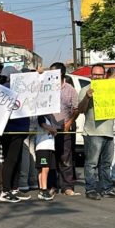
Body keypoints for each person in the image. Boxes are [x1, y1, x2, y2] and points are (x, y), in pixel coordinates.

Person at [79, 64, 115, 200]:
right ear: (90, 75)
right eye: (95, 74)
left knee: (106, 164)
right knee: (91, 163)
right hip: (93, 133)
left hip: (109, 132)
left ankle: (107, 189)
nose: (97, 77)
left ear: (104, 75)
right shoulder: (85, 89)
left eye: (100, 74)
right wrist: (87, 97)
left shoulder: (110, 90)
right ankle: (90, 189)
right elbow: (80, 110)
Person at [0, 66, 31, 203]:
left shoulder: (0, 88)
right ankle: (6, 191)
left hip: (8, 129)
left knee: (12, 159)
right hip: (15, 129)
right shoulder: (13, 88)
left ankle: (12, 189)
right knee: (12, 160)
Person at [49, 62, 80, 196]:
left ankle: (67, 186)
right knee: (50, 159)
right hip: (48, 130)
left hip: (65, 129)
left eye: (52, 72)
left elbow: (76, 109)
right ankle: (51, 185)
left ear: (61, 73)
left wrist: (69, 123)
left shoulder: (70, 89)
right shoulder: (46, 88)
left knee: (65, 158)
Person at [36, 114, 57, 201]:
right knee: (44, 168)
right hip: (42, 147)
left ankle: (42, 189)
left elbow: (53, 131)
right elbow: (43, 125)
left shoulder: (49, 118)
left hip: (49, 147)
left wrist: (53, 130)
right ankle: (44, 190)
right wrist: (52, 129)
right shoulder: (41, 116)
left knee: (44, 168)